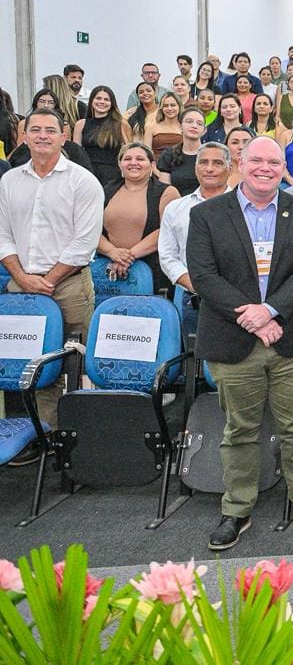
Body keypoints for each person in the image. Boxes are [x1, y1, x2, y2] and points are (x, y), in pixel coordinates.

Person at [186, 135, 293, 550]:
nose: (266, 168)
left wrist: (270, 311)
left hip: (292, 338)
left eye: (274, 161)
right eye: (257, 160)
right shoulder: (207, 214)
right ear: (241, 160)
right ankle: (236, 508)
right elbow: (204, 275)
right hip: (235, 339)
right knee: (239, 431)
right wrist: (251, 315)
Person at [0, 109, 103, 464]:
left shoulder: (83, 181)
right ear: (24, 137)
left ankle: (74, 441)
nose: (43, 135)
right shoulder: (9, 181)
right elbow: (2, 236)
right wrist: (24, 278)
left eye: (50, 130)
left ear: (64, 138)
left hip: (69, 286)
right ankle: (41, 438)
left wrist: (49, 280)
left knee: (72, 363)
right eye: (35, 130)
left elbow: (84, 242)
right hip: (21, 284)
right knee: (29, 365)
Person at [158, 142, 231, 339]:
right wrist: (194, 284)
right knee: (193, 361)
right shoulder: (176, 208)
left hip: (235, 298)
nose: (209, 168)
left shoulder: (247, 207)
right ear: (195, 167)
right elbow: (167, 255)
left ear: (230, 169)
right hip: (190, 296)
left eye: (217, 163)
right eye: (203, 162)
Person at [99, 142, 180, 292]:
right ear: (120, 164)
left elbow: (167, 231)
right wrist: (112, 252)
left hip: (153, 271)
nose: (133, 163)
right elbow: (92, 228)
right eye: (127, 159)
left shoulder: (167, 192)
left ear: (152, 164)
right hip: (109, 269)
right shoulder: (106, 190)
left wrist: (127, 257)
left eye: (140, 159)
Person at [73, 85, 130, 186]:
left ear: (112, 103)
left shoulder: (120, 124)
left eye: (106, 99)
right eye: (98, 98)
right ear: (91, 100)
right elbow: (76, 153)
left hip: (113, 176)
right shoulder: (80, 124)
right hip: (87, 174)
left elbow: (127, 151)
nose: (102, 102)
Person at [156, 107, 207, 195]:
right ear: (180, 126)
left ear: (204, 130)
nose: (194, 126)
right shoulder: (169, 155)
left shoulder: (210, 154)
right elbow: (165, 191)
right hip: (177, 204)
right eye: (189, 121)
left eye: (199, 124)